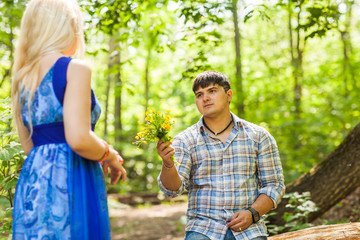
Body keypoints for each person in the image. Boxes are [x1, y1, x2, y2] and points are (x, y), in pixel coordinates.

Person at [11, 0, 127, 238]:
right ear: (70, 26)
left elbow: (29, 147)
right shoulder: (74, 69)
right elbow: (79, 139)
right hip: (73, 179)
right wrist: (109, 155)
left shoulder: (22, 77)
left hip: (35, 184)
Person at [156, 70, 285, 240]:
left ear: (228, 95)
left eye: (212, 91)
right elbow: (173, 190)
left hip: (249, 230)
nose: (205, 98)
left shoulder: (259, 136)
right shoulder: (185, 140)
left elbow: (274, 186)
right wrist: (168, 164)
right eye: (199, 94)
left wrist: (252, 213)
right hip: (202, 228)